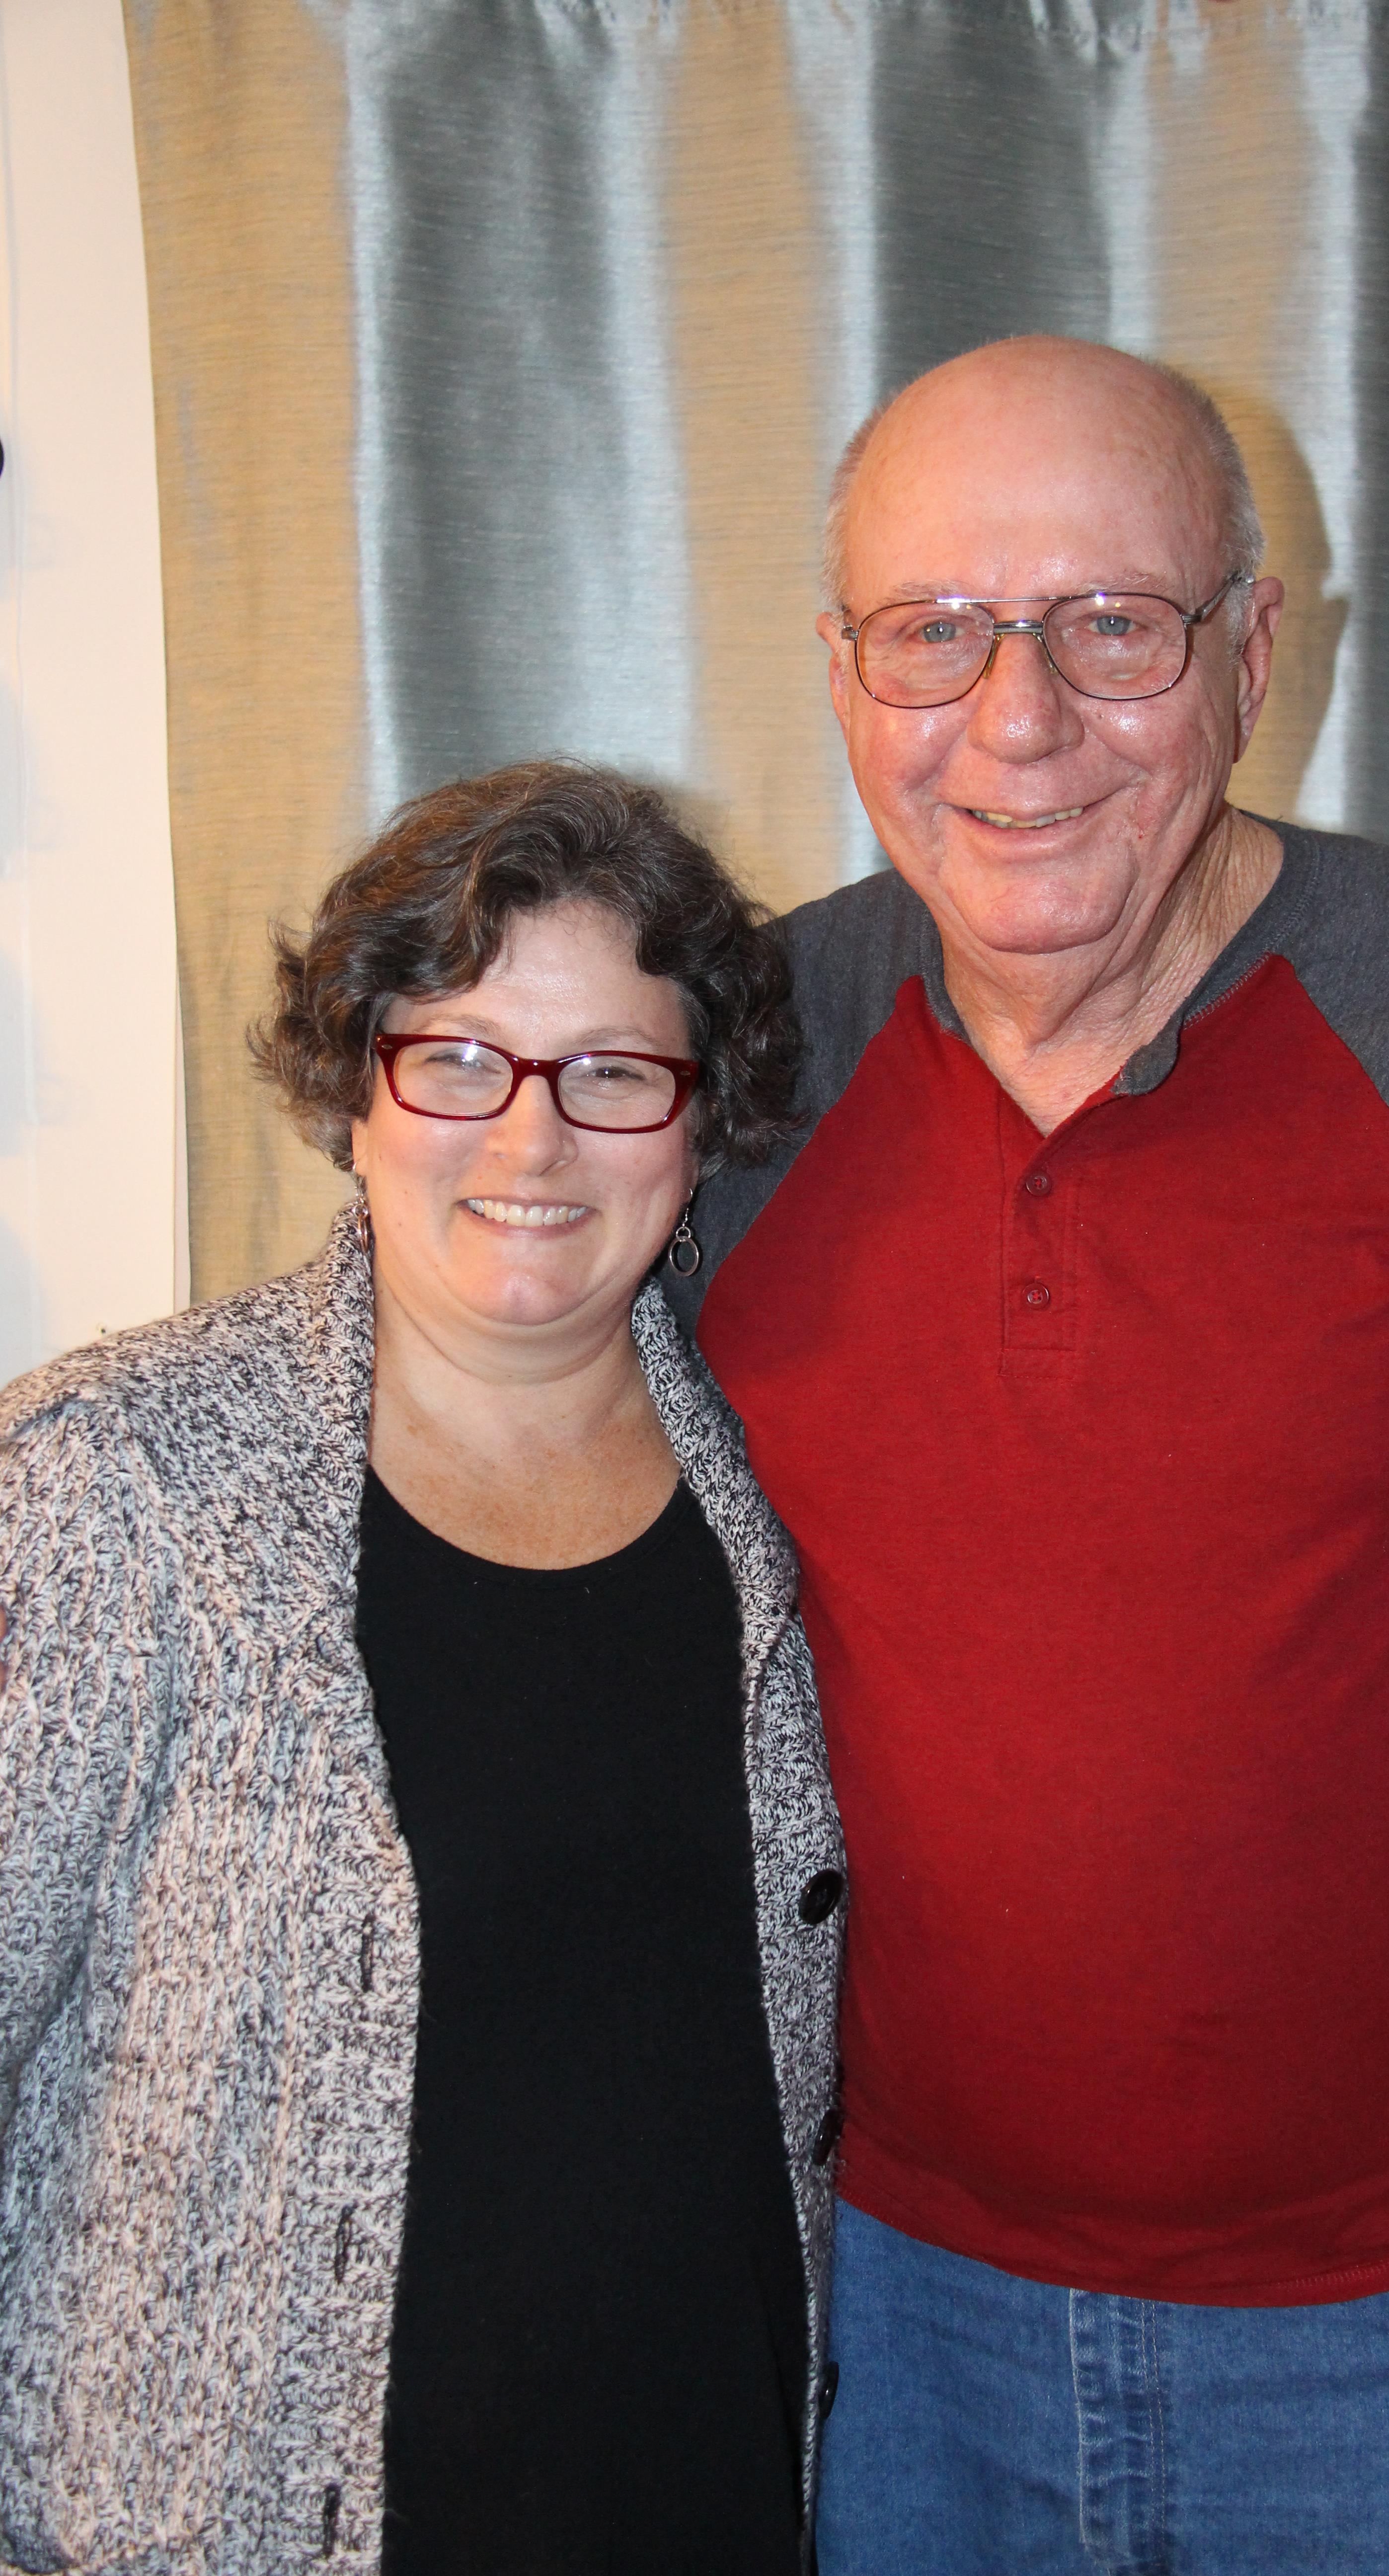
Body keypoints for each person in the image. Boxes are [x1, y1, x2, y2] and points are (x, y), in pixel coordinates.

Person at [663, 337, 1389, 2575]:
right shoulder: (747, 1057)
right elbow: (480, 1418)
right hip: (882, 2312)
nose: (1017, 721)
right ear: (845, 676)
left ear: (1250, 657)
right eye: (934, 630)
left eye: (1110, 627)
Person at [0, 761, 845, 2576]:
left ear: (700, 1123)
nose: (529, 1145)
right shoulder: (116, 1477)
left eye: (612, 1073)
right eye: (457, 1057)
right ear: (355, 1091)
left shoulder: (771, 1500)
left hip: (701, 2499)